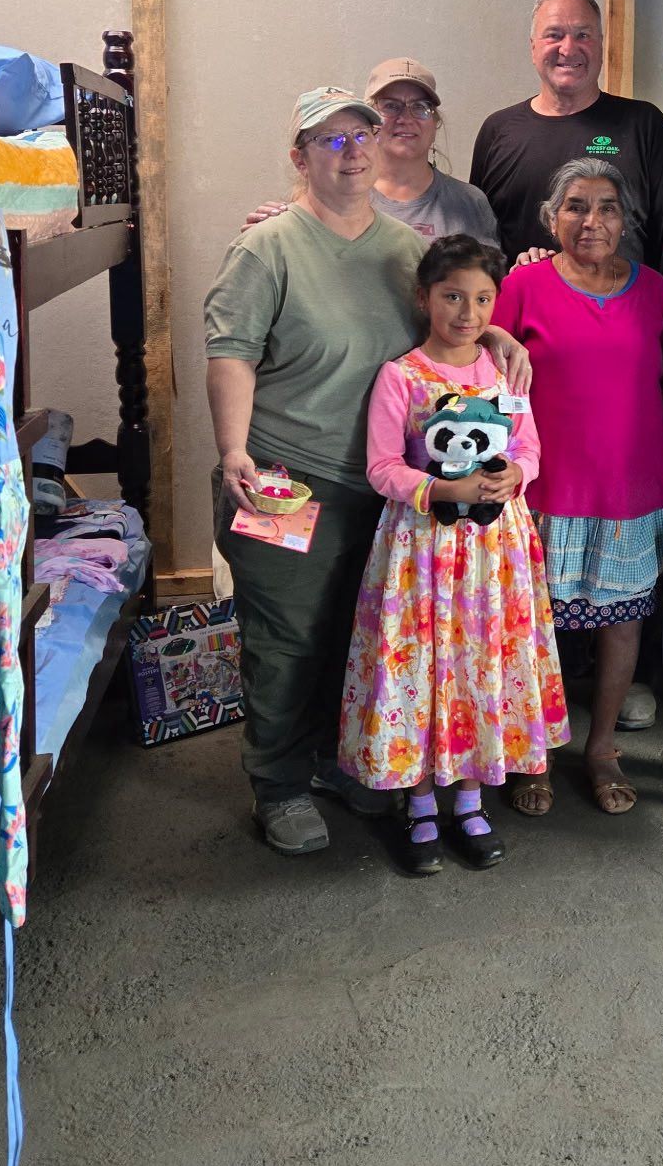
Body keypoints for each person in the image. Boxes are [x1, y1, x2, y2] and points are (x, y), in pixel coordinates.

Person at [204, 85, 524, 858]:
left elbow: (447, 312)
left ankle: (333, 760)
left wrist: (497, 336)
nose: (351, 152)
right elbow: (231, 353)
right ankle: (278, 785)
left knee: (363, 636)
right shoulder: (268, 248)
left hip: (386, 489)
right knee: (287, 642)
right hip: (285, 481)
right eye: (331, 140)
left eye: (361, 137)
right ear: (300, 157)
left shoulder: (403, 247)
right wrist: (233, 450)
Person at [338, 235, 567, 875]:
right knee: (420, 664)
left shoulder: (504, 373)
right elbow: (382, 467)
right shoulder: (402, 376)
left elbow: (529, 447)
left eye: (483, 299)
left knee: (478, 661)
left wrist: (515, 475)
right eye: (453, 297)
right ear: (425, 298)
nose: (468, 313)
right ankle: (418, 804)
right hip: (421, 550)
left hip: (495, 552)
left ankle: (470, 798)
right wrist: (442, 490)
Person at [491, 159, 663, 816]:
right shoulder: (522, 285)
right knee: (532, 628)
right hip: (543, 488)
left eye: (607, 207)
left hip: (633, 487)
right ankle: (534, 753)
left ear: (627, 220)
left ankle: (602, 748)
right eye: (575, 206)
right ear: (552, 218)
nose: (590, 220)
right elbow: (487, 376)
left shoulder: (654, 289)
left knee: (622, 626)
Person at [470, 0, 663, 277]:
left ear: (601, 45)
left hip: (626, 304)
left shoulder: (643, 124)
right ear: (533, 47)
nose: (568, 48)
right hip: (518, 307)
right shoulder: (498, 132)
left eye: (583, 35)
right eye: (554, 35)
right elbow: (478, 247)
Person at [244, 56, 498, 241]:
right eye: (391, 106)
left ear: (435, 123)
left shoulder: (470, 203)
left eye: (420, 107)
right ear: (369, 123)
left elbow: (489, 289)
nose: (405, 118)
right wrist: (269, 235)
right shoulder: (333, 197)